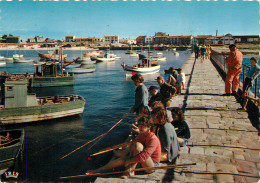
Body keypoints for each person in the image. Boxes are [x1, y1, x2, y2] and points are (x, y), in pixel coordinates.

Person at [86, 116, 161, 179]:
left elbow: (144, 156)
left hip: (151, 166)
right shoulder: (141, 135)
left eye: (143, 126)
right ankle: (96, 171)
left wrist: (129, 161)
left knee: (138, 146)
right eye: (139, 125)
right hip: (142, 162)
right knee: (121, 160)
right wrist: (125, 156)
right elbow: (132, 149)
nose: (140, 127)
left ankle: (129, 171)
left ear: (149, 127)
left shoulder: (153, 139)